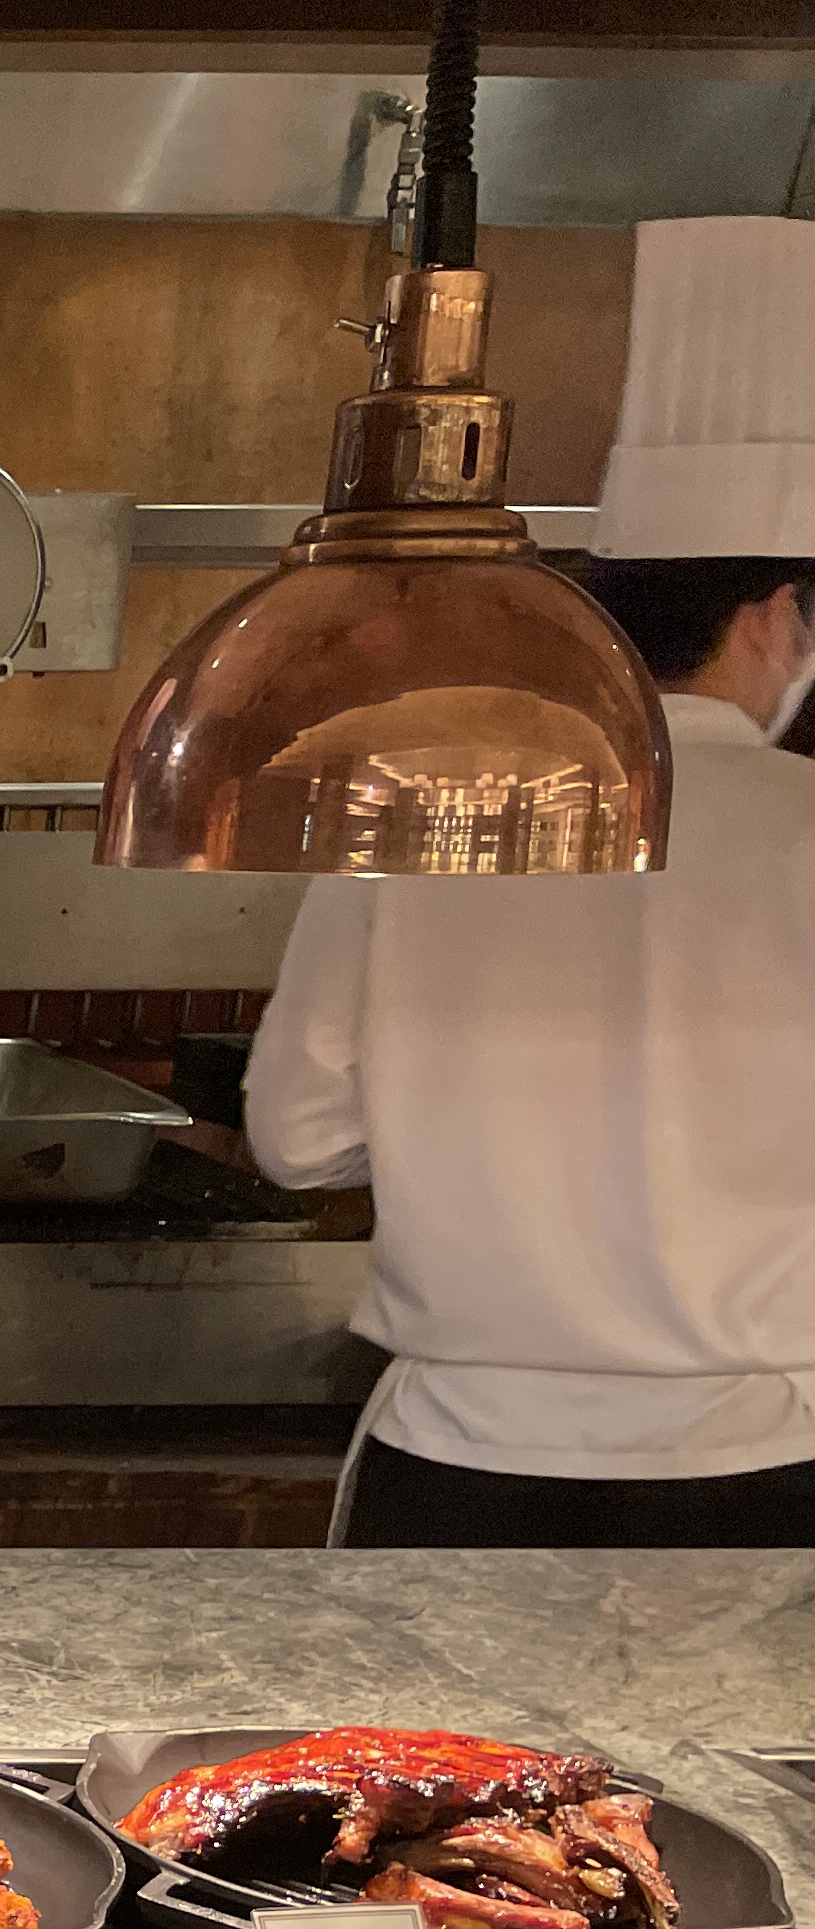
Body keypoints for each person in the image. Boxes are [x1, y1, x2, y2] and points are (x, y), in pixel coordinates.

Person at [248, 214, 815, 1548]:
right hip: (766, 1462)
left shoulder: (432, 815)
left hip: (459, 1459)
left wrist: (467, 1138)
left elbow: (297, 1139)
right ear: (775, 617)